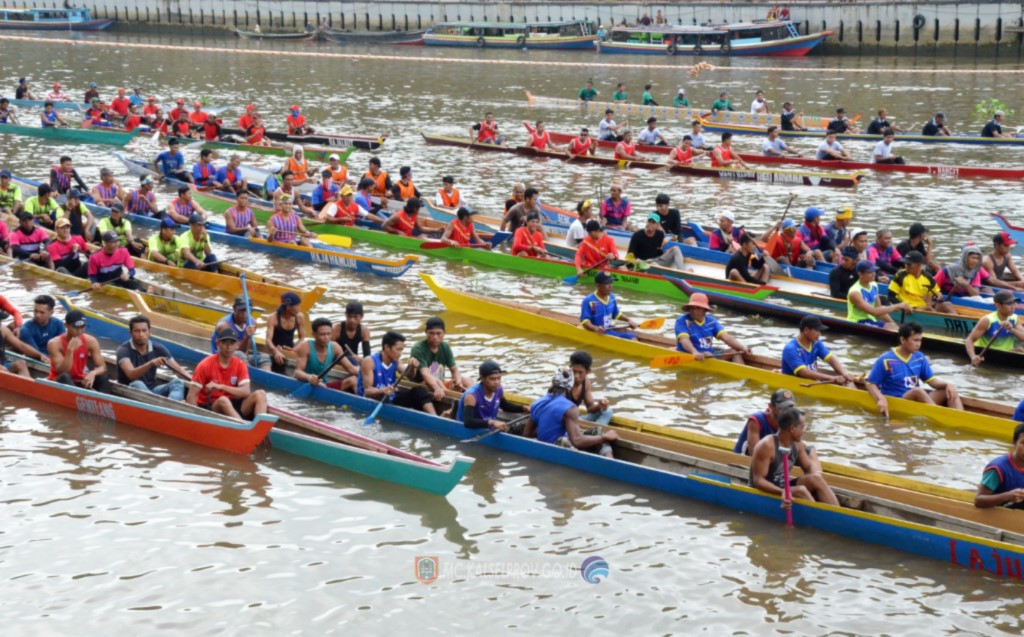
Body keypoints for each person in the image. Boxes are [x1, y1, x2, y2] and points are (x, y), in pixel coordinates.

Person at [866, 321, 963, 415]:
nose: (919, 344)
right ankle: (938, 416)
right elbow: (870, 383)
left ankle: (961, 417)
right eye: (915, 340)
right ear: (903, 340)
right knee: (918, 391)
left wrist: (948, 385)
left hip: (917, 399)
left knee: (948, 391)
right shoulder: (885, 359)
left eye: (920, 340)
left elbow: (933, 382)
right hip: (900, 400)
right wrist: (881, 399)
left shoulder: (919, 357)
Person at [750, 407, 839, 506]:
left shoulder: (797, 444)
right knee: (801, 491)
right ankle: (819, 516)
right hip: (764, 491)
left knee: (816, 478)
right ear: (792, 428)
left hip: (784, 486)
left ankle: (838, 515)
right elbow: (758, 481)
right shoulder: (767, 446)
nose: (804, 431)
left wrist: (818, 487)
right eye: (802, 427)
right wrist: (782, 492)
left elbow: (808, 468)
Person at [524, 367, 618, 457]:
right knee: (564, 440)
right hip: (556, 448)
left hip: (545, 446)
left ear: (553, 382)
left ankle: (608, 460)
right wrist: (604, 437)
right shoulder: (570, 408)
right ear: (570, 385)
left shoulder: (536, 403)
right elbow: (577, 441)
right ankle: (608, 461)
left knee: (597, 430)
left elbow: (526, 435)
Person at [187, 328, 268, 420]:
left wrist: (221, 386)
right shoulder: (204, 365)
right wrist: (198, 418)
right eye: (225, 342)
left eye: (232, 343)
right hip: (211, 408)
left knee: (260, 394)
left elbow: (246, 392)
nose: (228, 347)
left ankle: (261, 428)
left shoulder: (240, 364)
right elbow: (191, 397)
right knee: (223, 400)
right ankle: (243, 428)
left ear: (237, 345)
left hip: (233, 405)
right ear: (218, 343)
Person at [357, 330, 435, 413]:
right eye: (398, 349)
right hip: (372, 400)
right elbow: (367, 391)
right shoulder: (369, 361)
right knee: (387, 399)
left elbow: (409, 376)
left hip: (390, 397)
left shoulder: (396, 361)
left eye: (402, 350)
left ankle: (435, 419)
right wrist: (382, 390)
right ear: (387, 347)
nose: (400, 353)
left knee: (420, 390)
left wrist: (413, 367)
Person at [116, 315, 189, 400]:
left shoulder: (158, 348)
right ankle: (161, 406)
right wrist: (151, 363)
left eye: (144, 330)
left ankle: (170, 405)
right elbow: (131, 374)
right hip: (130, 392)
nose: (141, 334)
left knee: (178, 382)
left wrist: (197, 383)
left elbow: (179, 371)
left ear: (149, 332)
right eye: (137, 331)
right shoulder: (123, 350)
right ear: (130, 333)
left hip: (152, 391)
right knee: (137, 383)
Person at [410, 314, 472, 402]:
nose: (435, 337)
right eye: (431, 333)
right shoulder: (418, 348)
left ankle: (471, 400)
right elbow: (425, 374)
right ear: (426, 332)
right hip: (424, 384)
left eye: (438, 333)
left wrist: (458, 381)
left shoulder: (445, 346)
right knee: (433, 383)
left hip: (440, 384)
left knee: (467, 380)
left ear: (444, 333)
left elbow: (454, 370)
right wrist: (437, 388)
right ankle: (455, 401)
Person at [47, 309, 111, 393]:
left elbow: (103, 367)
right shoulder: (54, 344)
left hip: (80, 380)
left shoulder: (91, 341)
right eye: (75, 327)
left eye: (82, 327)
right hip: (60, 381)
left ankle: (105, 400)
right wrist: (70, 350)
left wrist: (93, 373)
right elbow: (62, 371)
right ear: (66, 325)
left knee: (102, 376)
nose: (80, 331)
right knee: (65, 376)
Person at [674, 292, 749, 364]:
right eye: (692, 308)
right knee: (707, 353)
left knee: (735, 351)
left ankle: (744, 375)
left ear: (705, 310)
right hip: (693, 354)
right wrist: (695, 352)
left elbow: (726, 337)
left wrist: (743, 348)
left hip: (710, 355)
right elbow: (684, 339)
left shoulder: (711, 321)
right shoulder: (682, 320)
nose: (694, 311)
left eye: (698, 308)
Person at [781, 315, 856, 385]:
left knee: (848, 382)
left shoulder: (816, 343)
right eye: (817, 330)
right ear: (806, 330)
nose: (820, 334)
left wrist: (844, 373)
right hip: (797, 383)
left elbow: (830, 359)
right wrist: (832, 378)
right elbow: (804, 372)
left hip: (813, 381)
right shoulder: (790, 348)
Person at [457, 360, 528, 432]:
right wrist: (493, 423)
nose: (497, 382)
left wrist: (524, 408)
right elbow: (468, 422)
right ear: (482, 378)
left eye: (499, 378)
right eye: (492, 379)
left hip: (486, 427)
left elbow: (505, 406)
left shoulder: (498, 389)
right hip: (467, 431)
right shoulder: (471, 395)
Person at [965, 290, 1024, 364]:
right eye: (1009, 304)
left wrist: (1011, 329)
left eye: (1014, 303)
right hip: (988, 355)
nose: (1014, 307)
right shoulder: (987, 320)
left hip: (1006, 354)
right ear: (998, 305)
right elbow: (969, 340)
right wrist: (973, 357)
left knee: (1019, 350)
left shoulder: (1014, 318)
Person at [212, 296, 270, 370]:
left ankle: (266, 378)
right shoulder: (224, 325)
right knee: (239, 354)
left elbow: (246, 350)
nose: (245, 314)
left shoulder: (252, 323)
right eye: (242, 310)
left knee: (264, 357)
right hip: (223, 357)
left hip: (242, 355)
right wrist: (246, 336)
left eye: (248, 311)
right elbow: (231, 351)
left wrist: (248, 337)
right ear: (234, 309)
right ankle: (250, 374)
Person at [888, 250, 955, 313]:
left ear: (919, 265)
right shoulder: (900, 276)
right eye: (905, 264)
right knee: (928, 309)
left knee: (947, 304)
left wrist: (939, 295)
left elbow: (937, 294)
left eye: (909, 264)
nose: (906, 266)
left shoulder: (928, 277)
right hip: (908, 307)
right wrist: (901, 306)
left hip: (923, 306)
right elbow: (890, 297)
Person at [975, 422, 1024, 509]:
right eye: (1023, 443)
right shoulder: (998, 468)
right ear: (1014, 443)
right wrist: (1008, 496)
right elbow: (978, 501)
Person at [848, 260, 910, 328]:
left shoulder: (874, 285)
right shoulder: (855, 292)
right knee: (890, 327)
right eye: (869, 272)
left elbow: (879, 309)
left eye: (874, 271)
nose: (874, 274)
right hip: (857, 322)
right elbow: (875, 312)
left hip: (870, 321)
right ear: (860, 274)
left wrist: (894, 324)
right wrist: (897, 306)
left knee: (894, 326)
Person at [734, 388, 795, 456]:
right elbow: (754, 454)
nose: (786, 412)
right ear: (771, 406)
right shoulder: (756, 420)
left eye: (789, 408)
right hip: (744, 460)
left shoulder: (789, 424)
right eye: (782, 408)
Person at [579, 271, 638, 340]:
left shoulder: (612, 297)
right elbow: (584, 321)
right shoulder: (589, 300)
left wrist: (629, 320)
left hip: (609, 331)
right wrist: (595, 328)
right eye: (606, 283)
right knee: (632, 338)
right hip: (598, 333)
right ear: (597, 285)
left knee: (633, 337)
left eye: (611, 283)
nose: (610, 286)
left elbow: (616, 314)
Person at [331, 301, 371, 393]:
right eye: (349, 316)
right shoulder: (336, 329)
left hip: (353, 362)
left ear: (361, 316)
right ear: (345, 315)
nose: (352, 320)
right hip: (337, 359)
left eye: (355, 317)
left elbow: (367, 355)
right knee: (351, 359)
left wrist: (366, 363)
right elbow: (329, 351)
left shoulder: (364, 330)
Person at [293, 317, 343, 388]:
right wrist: (309, 377)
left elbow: (351, 368)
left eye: (328, 334)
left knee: (353, 380)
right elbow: (297, 373)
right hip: (308, 384)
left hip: (324, 385)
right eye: (322, 334)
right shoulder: (305, 347)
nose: (326, 337)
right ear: (313, 335)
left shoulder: (335, 347)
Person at [566, 351, 613, 426]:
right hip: (564, 421)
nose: (576, 376)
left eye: (580, 372)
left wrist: (599, 405)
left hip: (575, 420)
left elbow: (590, 408)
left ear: (588, 371)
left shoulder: (586, 382)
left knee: (608, 411)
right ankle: (594, 434)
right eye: (574, 371)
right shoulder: (564, 381)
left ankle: (594, 432)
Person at [264, 292, 306, 374]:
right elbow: (268, 340)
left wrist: (293, 349)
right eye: (297, 306)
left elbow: (302, 338)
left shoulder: (299, 317)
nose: (299, 309)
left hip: (290, 349)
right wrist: (275, 351)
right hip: (275, 349)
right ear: (288, 307)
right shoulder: (273, 318)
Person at [18, 295, 65, 364]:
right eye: (35, 311)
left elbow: (63, 346)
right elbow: (35, 352)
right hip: (39, 359)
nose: (37, 315)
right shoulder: (26, 329)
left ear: (51, 312)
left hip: (56, 357)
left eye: (41, 312)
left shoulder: (59, 324)